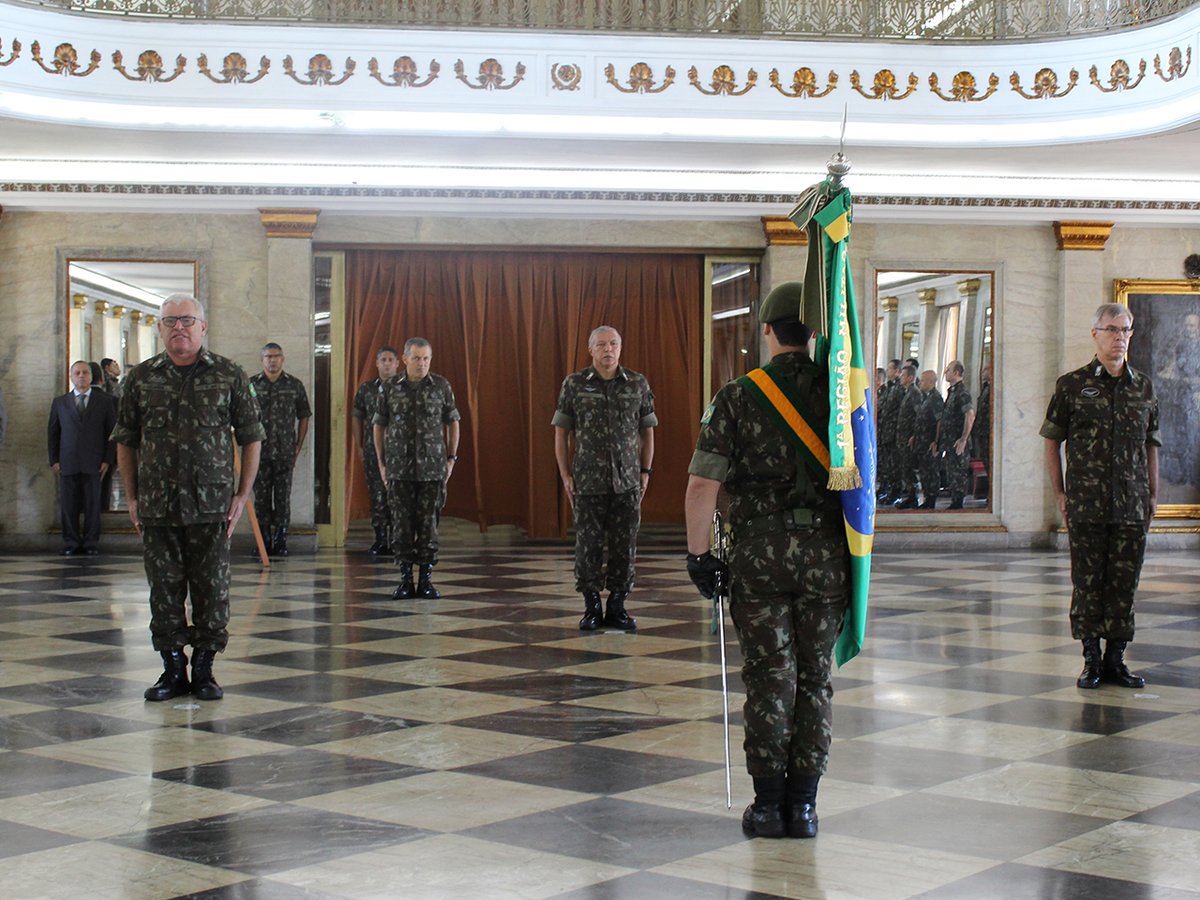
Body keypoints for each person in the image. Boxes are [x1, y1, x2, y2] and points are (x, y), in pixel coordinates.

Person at [684, 281, 848, 840]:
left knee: (769, 677)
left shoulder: (738, 395)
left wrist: (699, 555)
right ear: (814, 332)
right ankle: (804, 808)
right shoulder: (841, 396)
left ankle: (769, 806)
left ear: (769, 331)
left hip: (759, 558)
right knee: (815, 678)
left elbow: (702, 484)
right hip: (826, 558)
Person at [113, 294, 264, 702]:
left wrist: (242, 494)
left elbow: (252, 437)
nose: (178, 327)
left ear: (203, 327)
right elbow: (126, 440)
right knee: (163, 591)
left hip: (211, 506)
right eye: (170, 321)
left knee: (212, 591)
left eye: (187, 320)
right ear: (160, 328)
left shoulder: (229, 375)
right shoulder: (140, 378)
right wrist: (131, 497)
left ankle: (204, 669)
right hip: (158, 505)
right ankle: (172, 669)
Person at [1042, 302, 1159, 690]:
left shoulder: (1143, 387)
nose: (1120, 338)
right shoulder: (1071, 385)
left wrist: (1153, 493)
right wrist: (1060, 493)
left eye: (1126, 330)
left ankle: (1115, 660)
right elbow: (1052, 441)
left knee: (1124, 584)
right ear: (1095, 334)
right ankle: (1091, 659)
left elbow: (1151, 444)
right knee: (1088, 582)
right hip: (1086, 503)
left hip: (1132, 502)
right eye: (1112, 330)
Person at [553, 326, 657, 632]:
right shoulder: (574, 384)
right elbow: (561, 433)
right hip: (588, 481)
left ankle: (618, 605)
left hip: (627, 481)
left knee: (625, 544)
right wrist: (565, 475)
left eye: (613, 344)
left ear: (620, 347)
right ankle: (591, 606)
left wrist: (645, 471)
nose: (608, 349)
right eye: (601, 345)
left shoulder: (637, 383)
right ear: (591, 349)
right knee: (588, 545)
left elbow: (647, 432)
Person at [373, 338, 460, 601]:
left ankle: (425, 579)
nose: (421, 364)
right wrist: (381, 463)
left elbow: (453, 422)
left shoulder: (441, 386)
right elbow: (379, 425)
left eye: (426, 359)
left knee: (428, 525)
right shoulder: (390, 387)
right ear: (405, 359)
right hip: (399, 469)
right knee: (401, 525)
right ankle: (404, 580)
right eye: (416, 358)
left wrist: (451, 458)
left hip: (432, 469)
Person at [47, 360, 116, 555]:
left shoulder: (104, 402)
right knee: (68, 505)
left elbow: (111, 434)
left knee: (93, 505)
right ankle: (71, 542)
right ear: (71, 377)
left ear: (91, 376)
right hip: (67, 461)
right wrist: (54, 460)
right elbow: (53, 433)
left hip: (94, 462)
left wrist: (107, 460)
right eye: (77, 373)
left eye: (85, 372)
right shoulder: (60, 402)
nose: (81, 376)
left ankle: (90, 543)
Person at [249, 343, 311, 556]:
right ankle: (264, 540)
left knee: (283, 498)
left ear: (282, 359)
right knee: (261, 498)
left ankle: (280, 539)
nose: (272, 360)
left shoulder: (294, 385)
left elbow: (304, 415)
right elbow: (242, 415)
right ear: (262, 360)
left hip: (285, 452)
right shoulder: (251, 385)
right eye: (268, 356)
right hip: (258, 452)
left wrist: (298, 445)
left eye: (276, 356)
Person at [353, 346, 400, 555]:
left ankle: (398, 539)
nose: (387, 364)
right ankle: (381, 538)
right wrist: (359, 445)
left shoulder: (404, 386)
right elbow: (357, 416)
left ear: (398, 363)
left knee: (399, 496)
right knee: (377, 494)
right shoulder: (366, 389)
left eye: (390, 360)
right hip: (373, 449)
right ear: (377, 363)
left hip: (400, 451)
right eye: (383, 360)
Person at [937, 359, 975, 509]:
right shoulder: (952, 392)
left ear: (956, 373)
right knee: (952, 472)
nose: (945, 372)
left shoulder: (962, 393)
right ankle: (955, 501)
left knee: (958, 473)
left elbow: (970, 415)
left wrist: (963, 439)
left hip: (958, 442)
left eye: (948, 370)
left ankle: (958, 503)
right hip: (950, 441)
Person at [892, 364, 922, 509]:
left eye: (903, 375)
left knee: (908, 468)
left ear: (910, 377)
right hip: (902, 437)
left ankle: (913, 497)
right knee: (905, 468)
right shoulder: (907, 392)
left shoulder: (914, 393)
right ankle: (910, 496)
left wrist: (914, 435)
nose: (900, 378)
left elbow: (919, 415)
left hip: (909, 438)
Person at [916, 369, 944, 509]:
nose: (920, 383)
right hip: (922, 442)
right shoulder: (927, 397)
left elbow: (939, 421)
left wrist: (936, 441)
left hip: (930, 442)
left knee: (931, 471)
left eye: (923, 380)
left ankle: (931, 499)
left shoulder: (935, 398)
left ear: (931, 382)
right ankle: (927, 497)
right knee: (924, 471)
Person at [876, 359, 901, 502]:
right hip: (885, 432)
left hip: (893, 433)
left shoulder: (898, 388)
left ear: (897, 371)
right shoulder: (890, 388)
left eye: (890, 368)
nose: (888, 370)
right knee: (886, 464)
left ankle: (895, 492)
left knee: (894, 465)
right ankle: (886, 489)